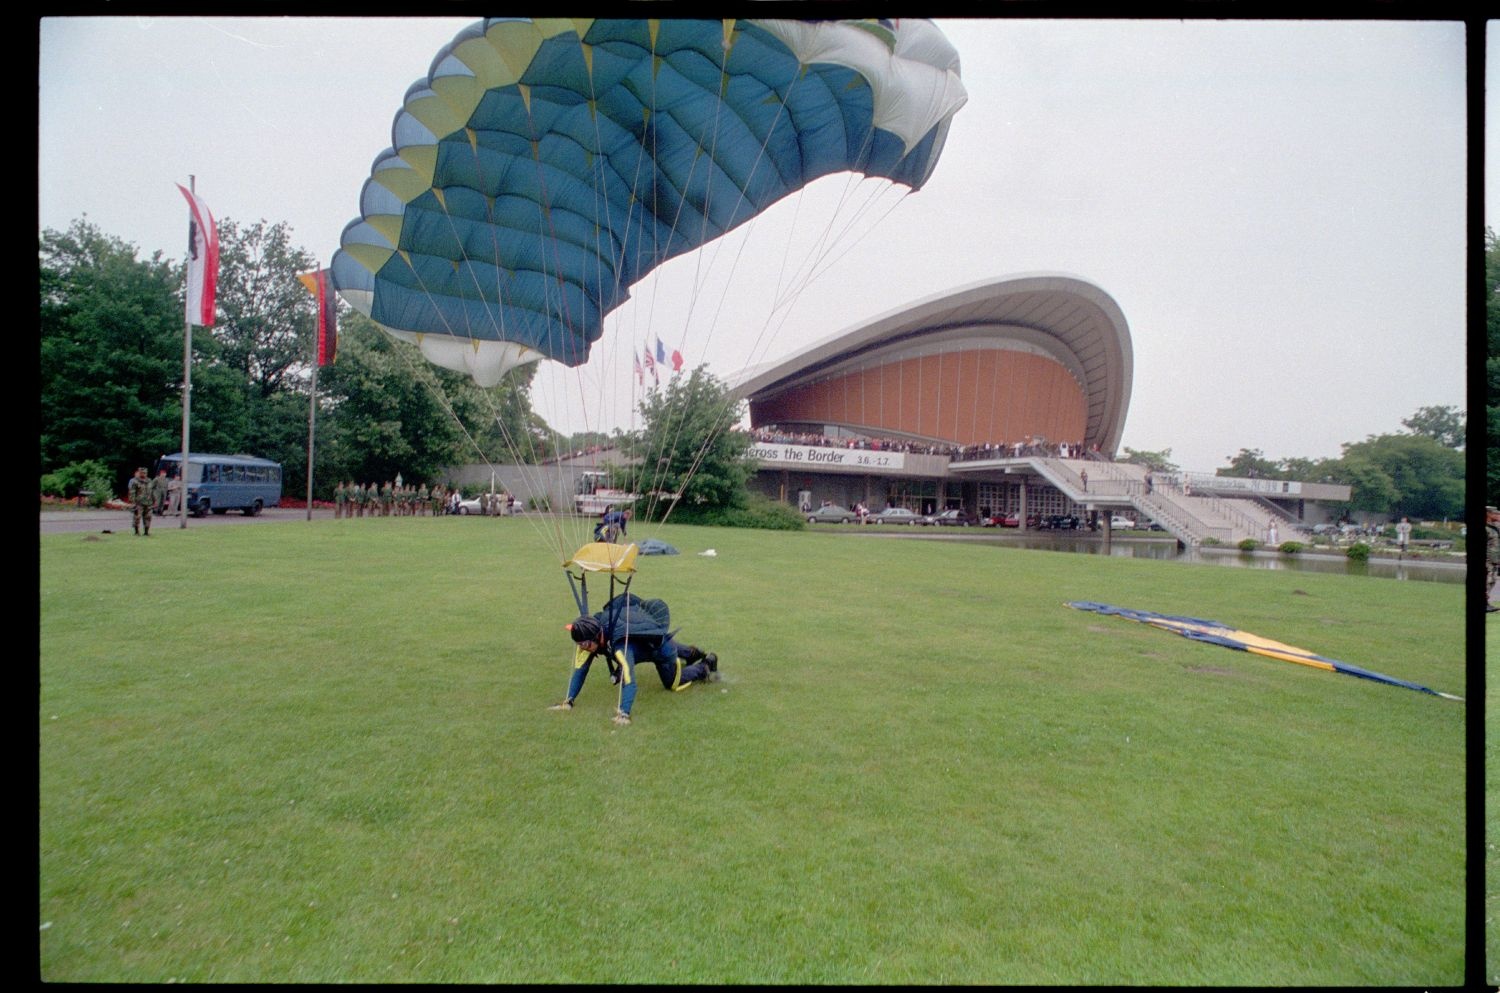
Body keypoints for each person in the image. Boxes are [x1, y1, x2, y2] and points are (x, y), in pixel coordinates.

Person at [548, 593, 718, 725]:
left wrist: (624, 713)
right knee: (666, 644)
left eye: (584, 643)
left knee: (672, 682)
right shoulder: (593, 632)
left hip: (660, 649)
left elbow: (629, 679)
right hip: (648, 642)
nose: (581, 647)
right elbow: (580, 670)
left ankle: (704, 666)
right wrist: (568, 701)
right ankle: (691, 653)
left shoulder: (621, 647)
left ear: (596, 637)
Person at [127, 467, 154, 536]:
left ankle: (146, 532)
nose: (143, 474)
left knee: (148, 517)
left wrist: (154, 500)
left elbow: (152, 491)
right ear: (139, 473)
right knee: (137, 517)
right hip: (139, 503)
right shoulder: (135, 481)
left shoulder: (149, 481)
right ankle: (136, 532)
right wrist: (133, 502)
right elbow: (132, 492)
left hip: (148, 503)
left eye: (145, 473)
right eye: (142, 473)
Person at [1486, 507, 1500, 614]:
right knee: (1487, 581)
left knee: (1492, 581)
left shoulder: (1495, 527)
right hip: (1487, 560)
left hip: (1494, 560)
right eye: (1495, 514)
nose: (1498, 515)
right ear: (1488, 514)